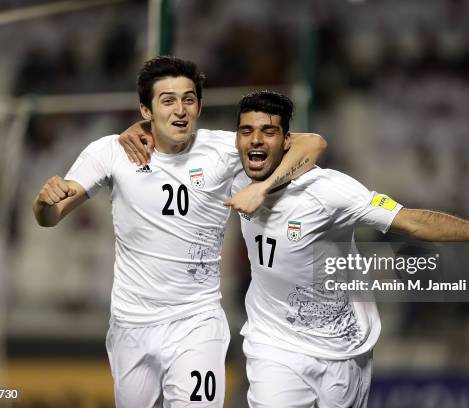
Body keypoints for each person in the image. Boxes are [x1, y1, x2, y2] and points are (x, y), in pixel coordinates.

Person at [32, 57, 326, 408]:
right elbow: (50, 216)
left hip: (196, 322)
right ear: (145, 108)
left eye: (188, 99)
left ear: (200, 106)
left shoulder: (223, 150)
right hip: (132, 324)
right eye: (167, 100)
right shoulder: (110, 151)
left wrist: (261, 188)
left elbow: (312, 144)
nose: (180, 109)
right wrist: (44, 201)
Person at [230, 90, 469, 408]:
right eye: (246, 132)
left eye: (268, 132)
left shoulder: (329, 191)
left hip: (343, 348)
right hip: (274, 343)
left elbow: (411, 221)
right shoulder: (233, 171)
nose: (255, 140)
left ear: (287, 140)